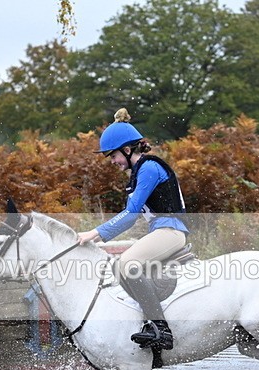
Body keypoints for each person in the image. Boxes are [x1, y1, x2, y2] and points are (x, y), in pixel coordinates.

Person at [77, 109, 188, 351]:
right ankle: (149, 322)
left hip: (171, 231)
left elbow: (131, 215)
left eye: (113, 156)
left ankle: (162, 330)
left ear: (128, 150)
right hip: (159, 231)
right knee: (121, 267)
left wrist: (93, 234)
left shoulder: (148, 167)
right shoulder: (138, 173)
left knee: (126, 265)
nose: (113, 162)